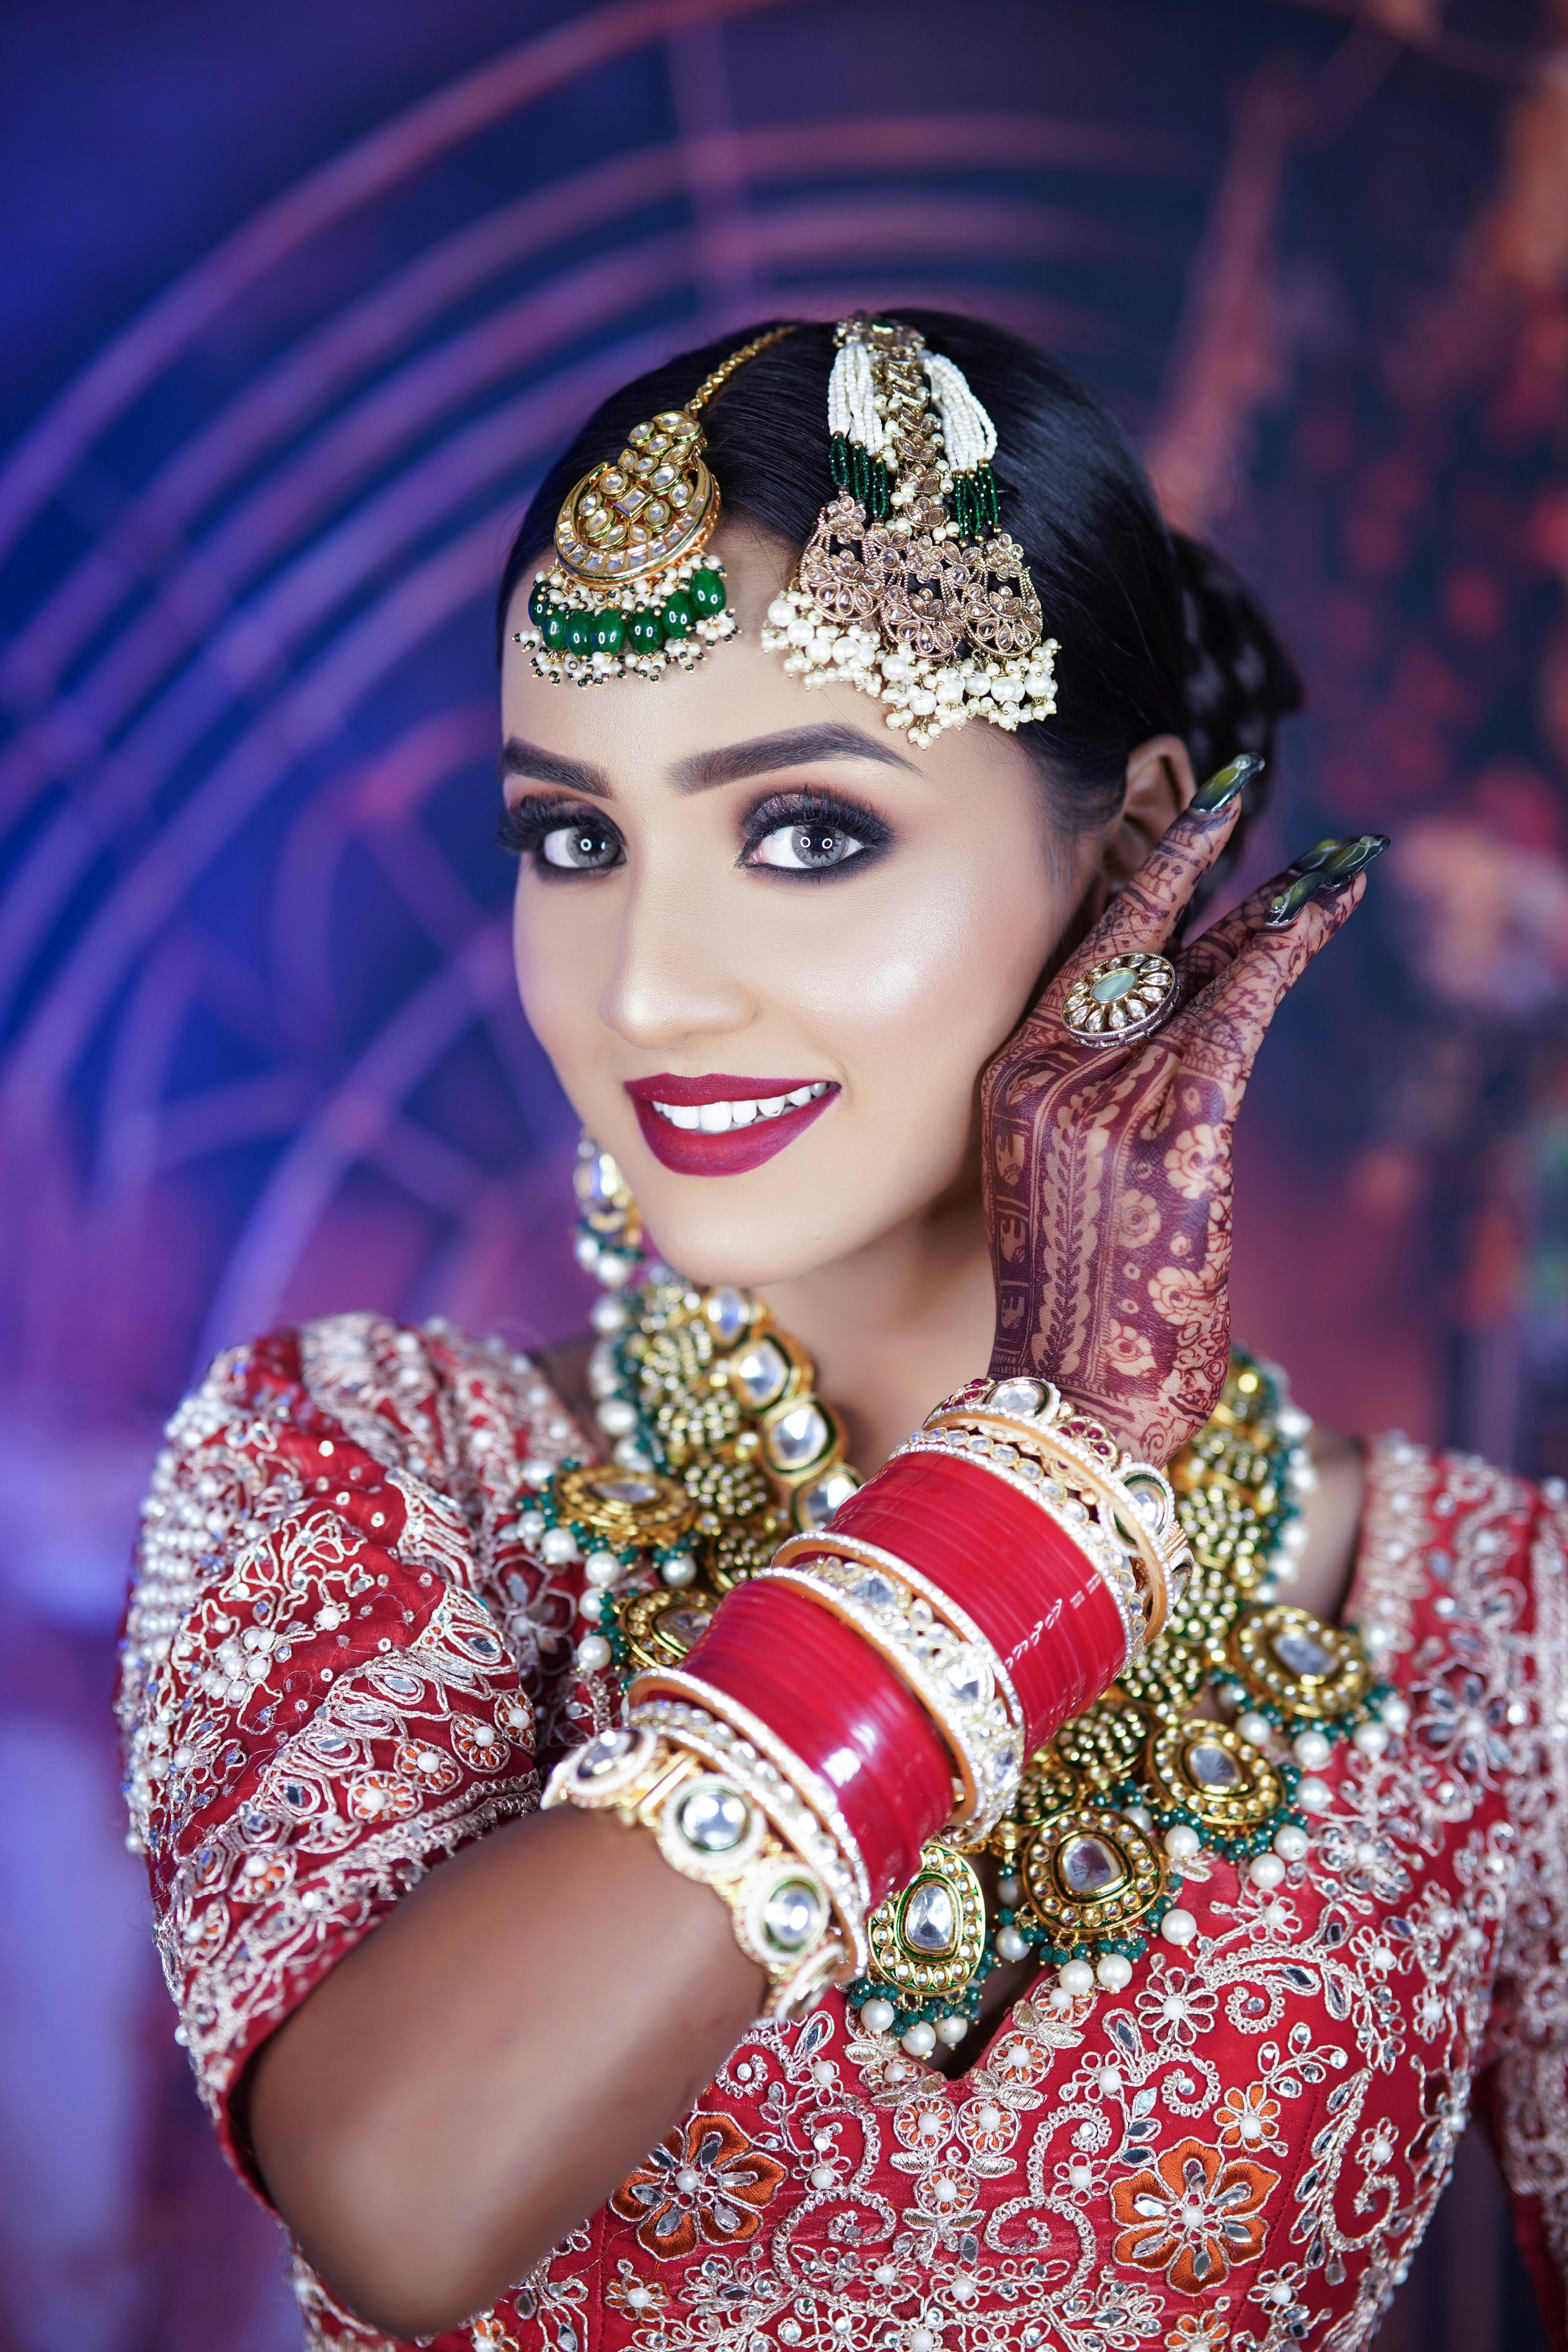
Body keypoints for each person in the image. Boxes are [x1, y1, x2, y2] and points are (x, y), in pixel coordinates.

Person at [118, 313, 1568, 2352]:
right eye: (574, 838)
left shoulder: (1504, 1632)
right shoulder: (364, 1468)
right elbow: (399, 2199)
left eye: (804, 832)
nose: (647, 991)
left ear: (1138, 837)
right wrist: (1050, 1469)